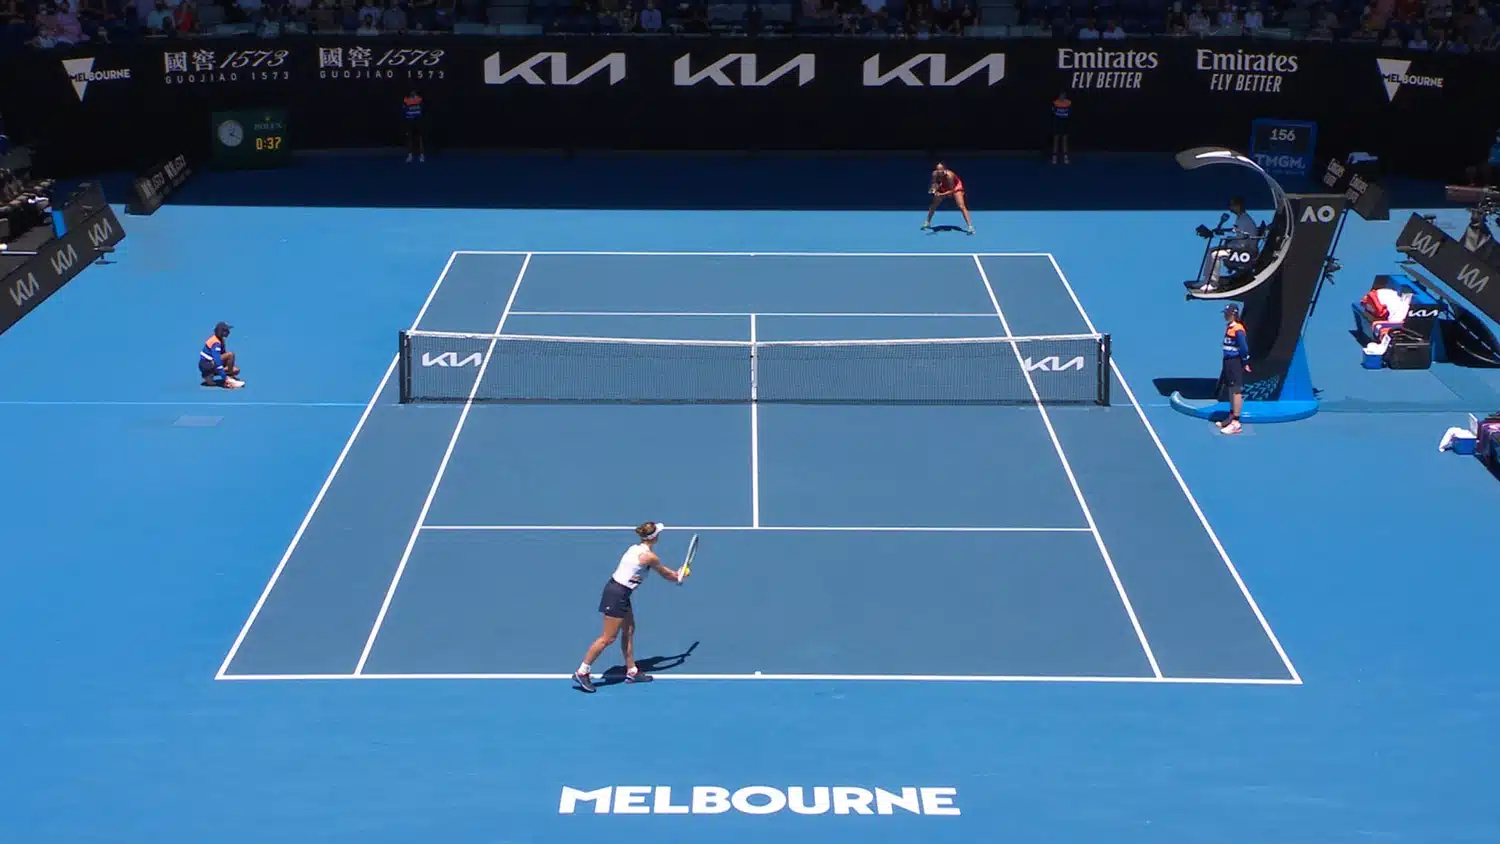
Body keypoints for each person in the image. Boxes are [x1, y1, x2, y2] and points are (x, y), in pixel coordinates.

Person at [573, 522, 688, 693]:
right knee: (608, 638)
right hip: (617, 595)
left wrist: (677, 574)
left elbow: (664, 572)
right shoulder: (649, 557)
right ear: (654, 537)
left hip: (620, 592)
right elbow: (666, 574)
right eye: (658, 533)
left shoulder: (635, 548)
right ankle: (582, 672)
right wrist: (679, 576)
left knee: (629, 630)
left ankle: (632, 671)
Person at [1199, 196, 1259, 292]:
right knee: (1211, 250)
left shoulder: (1245, 220)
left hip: (1246, 252)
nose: (1230, 207)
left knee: (1215, 254)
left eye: (1232, 205)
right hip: (1240, 248)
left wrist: (1227, 245)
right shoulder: (1240, 218)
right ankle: (1206, 280)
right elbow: (1237, 233)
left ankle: (1213, 284)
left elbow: (1243, 244)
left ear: (1238, 206)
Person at [1218, 304, 1249, 435]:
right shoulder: (1229, 327)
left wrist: (1245, 362)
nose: (1225, 315)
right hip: (1228, 361)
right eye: (1225, 313)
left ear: (1234, 314)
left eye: (1228, 313)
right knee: (1231, 388)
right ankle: (1231, 416)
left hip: (1235, 362)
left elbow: (1244, 348)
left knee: (1236, 390)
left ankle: (1236, 422)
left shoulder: (1238, 329)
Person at [923, 162, 974, 235]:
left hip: (956, 187)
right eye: (938, 169)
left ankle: (970, 227)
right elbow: (934, 184)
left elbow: (951, 191)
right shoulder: (934, 174)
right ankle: (927, 223)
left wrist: (941, 194)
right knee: (933, 205)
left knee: (961, 206)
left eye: (941, 169)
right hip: (944, 186)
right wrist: (934, 190)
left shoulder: (949, 176)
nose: (939, 171)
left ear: (945, 169)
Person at [199, 321, 244, 389]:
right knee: (230, 355)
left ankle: (210, 375)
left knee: (236, 370)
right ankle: (228, 380)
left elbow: (223, 356)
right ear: (221, 332)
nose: (228, 332)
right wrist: (224, 378)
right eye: (226, 330)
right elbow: (217, 360)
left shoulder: (220, 340)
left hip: (211, 364)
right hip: (206, 365)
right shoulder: (216, 343)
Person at [403, 89, 425, 164]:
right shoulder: (406, 100)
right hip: (410, 122)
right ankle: (410, 155)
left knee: (419, 139)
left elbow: (422, 108)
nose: (412, 93)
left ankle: (421, 155)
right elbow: (404, 110)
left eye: (414, 92)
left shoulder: (419, 99)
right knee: (409, 139)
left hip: (418, 121)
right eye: (411, 91)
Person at [1051, 91, 1072, 165]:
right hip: (1057, 123)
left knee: (1065, 140)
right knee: (1056, 139)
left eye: (1063, 95)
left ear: (1065, 96)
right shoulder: (1055, 103)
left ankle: (1065, 158)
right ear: (1059, 96)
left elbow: (1070, 112)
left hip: (1065, 123)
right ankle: (1054, 158)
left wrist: (1064, 114)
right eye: (1061, 95)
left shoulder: (1068, 103)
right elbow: (1053, 112)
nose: (1062, 96)